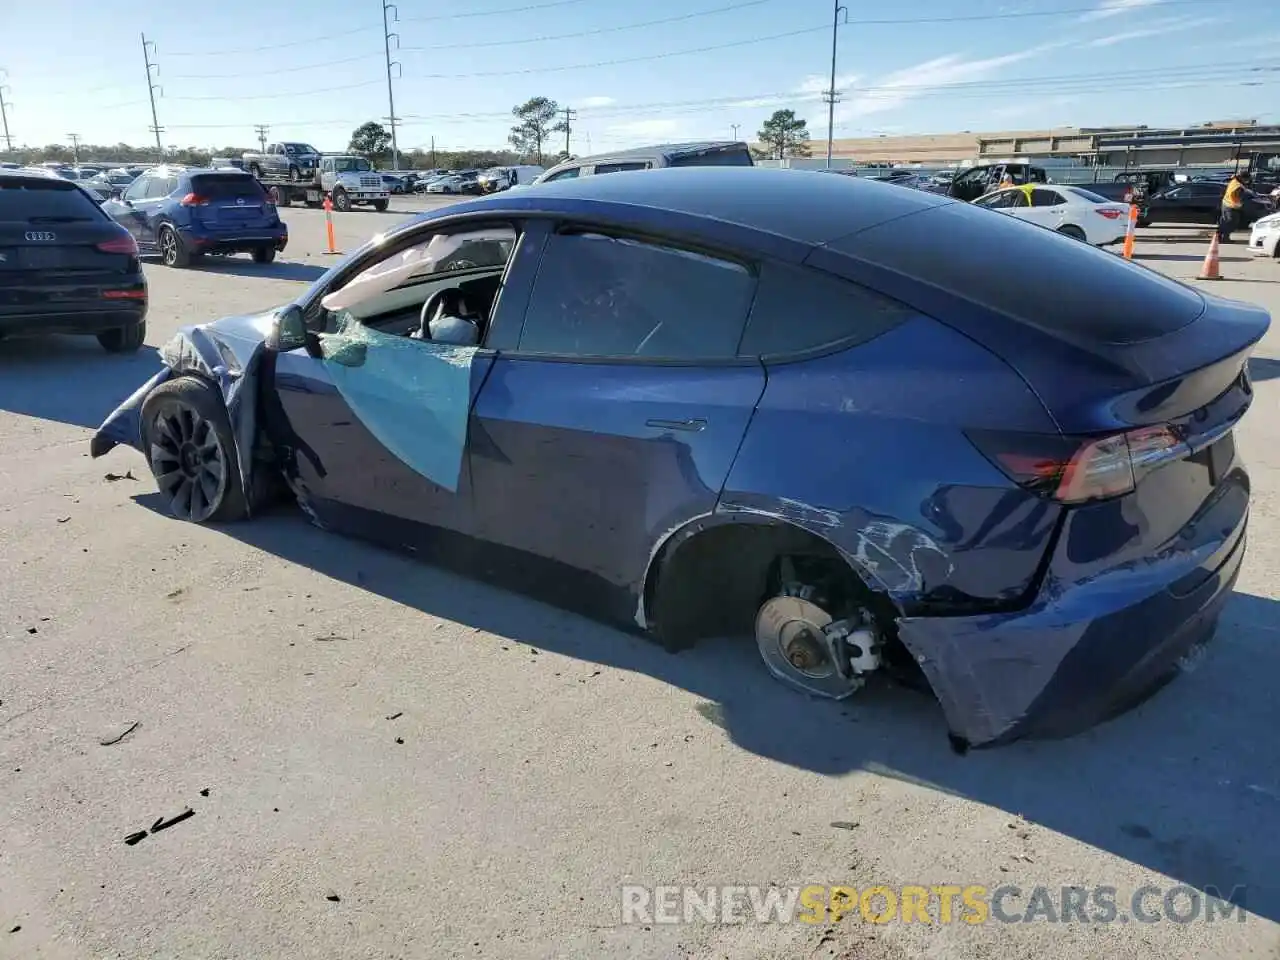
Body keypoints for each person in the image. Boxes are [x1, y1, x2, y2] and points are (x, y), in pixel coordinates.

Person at [1218, 170, 1251, 242]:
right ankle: (1225, 238)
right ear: (1242, 178)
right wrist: (1241, 203)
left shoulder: (1234, 181)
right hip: (1231, 206)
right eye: (1246, 179)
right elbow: (1237, 196)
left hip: (1225, 203)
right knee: (1232, 223)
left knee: (1225, 221)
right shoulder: (1238, 186)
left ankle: (1219, 236)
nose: (1247, 181)